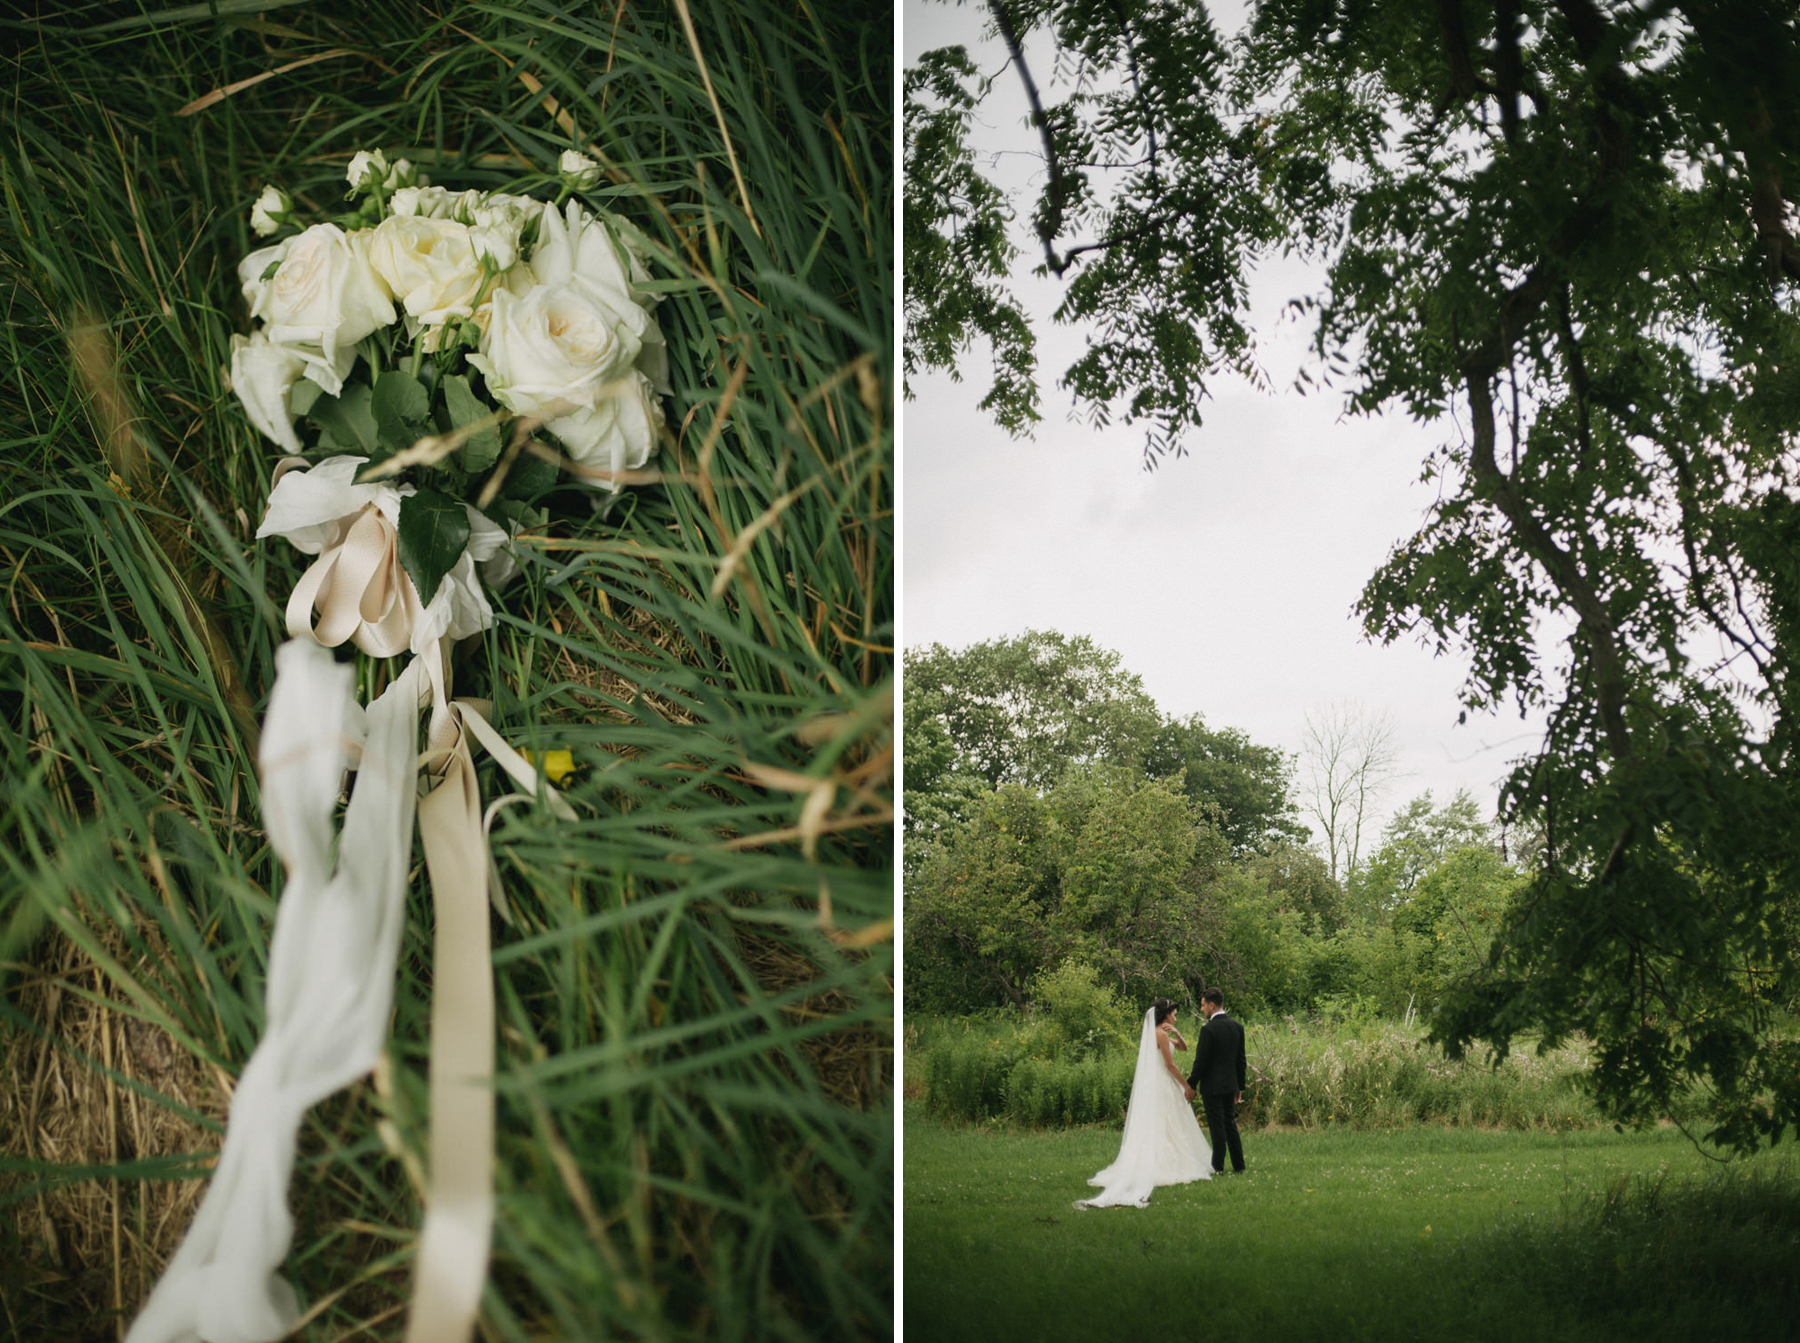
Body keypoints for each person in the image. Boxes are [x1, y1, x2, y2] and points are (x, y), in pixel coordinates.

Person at [1075, 998, 1212, 1208]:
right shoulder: (1161, 1034)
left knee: (1162, 1123)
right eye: (1174, 1014)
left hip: (1155, 1083)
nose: (1176, 1017)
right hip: (1163, 1083)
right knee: (1166, 1122)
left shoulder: (1158, 1033)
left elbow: (1183, 1048)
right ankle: (1164, 1162)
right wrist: (1188, 1087)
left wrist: (1177, 1033)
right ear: (1165, 1015)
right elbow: (1170, 1065)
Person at [1187, 986, 1247, 1174]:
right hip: (1230, 1084)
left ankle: (1218, 1166)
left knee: (1216, 1126)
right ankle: (1239, 1165)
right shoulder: (1237, 1027)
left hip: (1212, 1086)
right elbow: (1241, 1061)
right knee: (1230, 1124)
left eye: (1203, 1005)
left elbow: (1201, 1062)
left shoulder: (1209, 1030)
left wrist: (1190, 1085)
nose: (1203, 1009)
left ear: (1212, 1005)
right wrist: (1240, 1086)